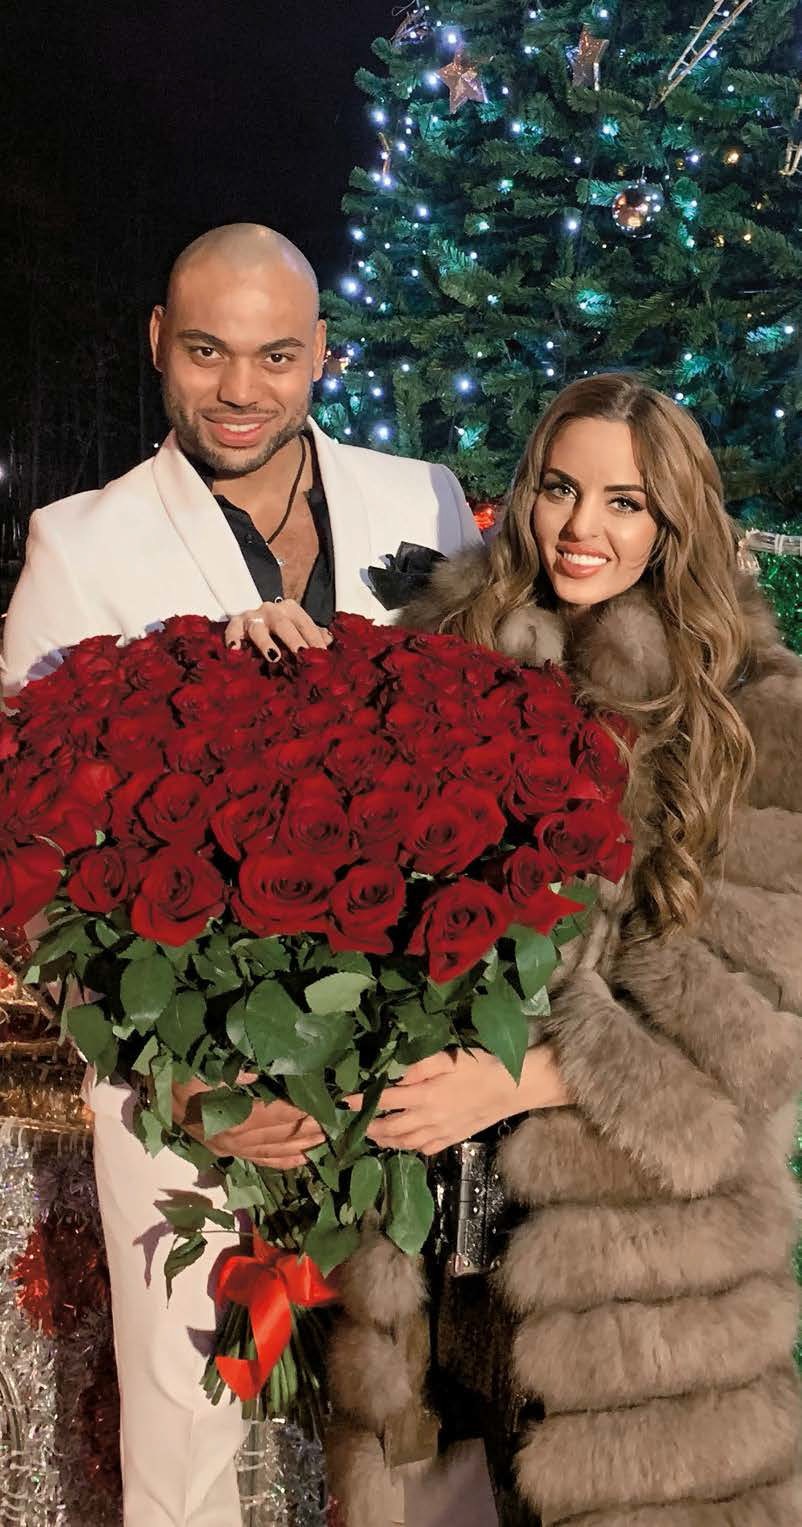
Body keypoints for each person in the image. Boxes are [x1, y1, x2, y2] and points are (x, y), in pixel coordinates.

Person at [1, 222, 480, 1527]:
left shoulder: (428, 504)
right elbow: (34, 870)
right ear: (159, 343)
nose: (239, 389)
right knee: (187, 1451)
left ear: (322, 353)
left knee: (411, 1440)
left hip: (398, 1083)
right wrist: (182, 1084)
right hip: (191, 1098)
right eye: (207, 351)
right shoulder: (80, 543)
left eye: (275, 356)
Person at [313, 374, 802, 1525]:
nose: (582, 528)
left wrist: (518, 1078)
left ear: (674, 521)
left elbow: (753, 1034)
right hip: (435, 1251)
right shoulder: (444, 664)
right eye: (559, 489)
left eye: (625, 502)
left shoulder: (754, 714)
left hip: (641, 1288)